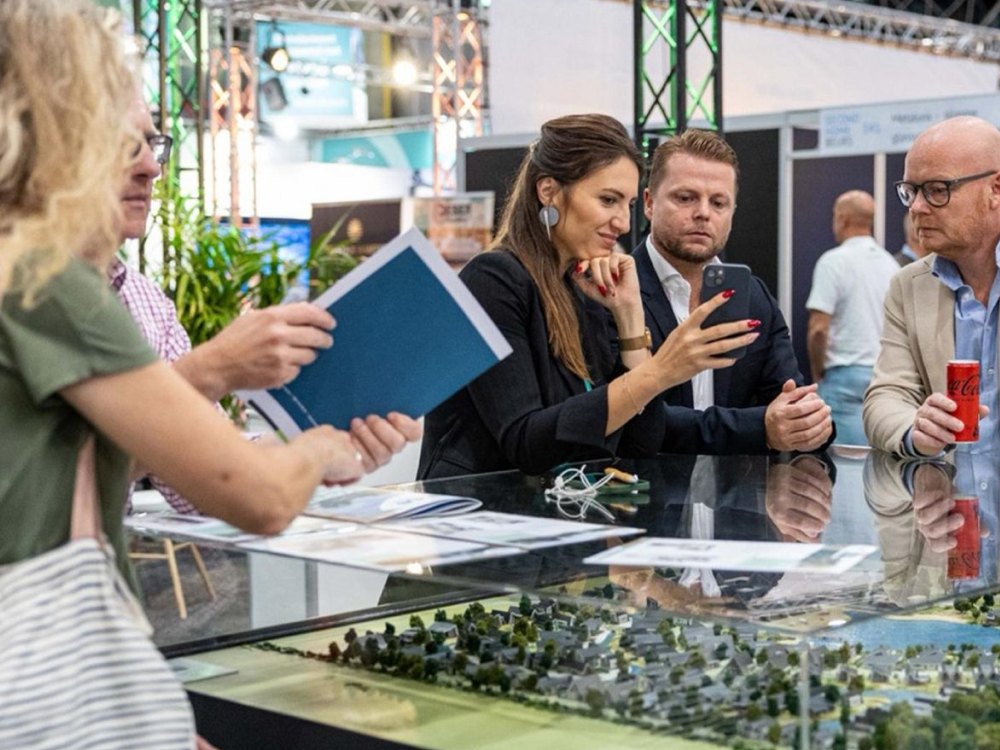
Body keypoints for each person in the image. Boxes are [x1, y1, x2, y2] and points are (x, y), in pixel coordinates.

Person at [0, 2, 365, 746]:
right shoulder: (41, 282)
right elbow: (254, 497)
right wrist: (323, 449)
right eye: (116, 134)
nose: (145, 163)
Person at [117, 96, 420, 511]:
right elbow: (50, 476)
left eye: (153, 145)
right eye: (123, 144)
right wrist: (213, 367)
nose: (152, 166)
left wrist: (320, 442)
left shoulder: (146, 303)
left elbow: (204, 476)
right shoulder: (22, 295)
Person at [417, 114, 758, 479]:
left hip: (560, 518)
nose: (623, 223)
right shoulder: (494, 280)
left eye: (626, 205)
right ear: (548, 190)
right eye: (607, 200)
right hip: (477, 520)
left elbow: (639, 442)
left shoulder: (586, 288)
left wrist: (629, 316)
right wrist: (659, 372)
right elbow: (526, 443)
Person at [634, 129, 833, 454]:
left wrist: (807, 421)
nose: (703, 213)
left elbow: (789, 396)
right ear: (649, 203)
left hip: (734, 500)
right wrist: (760, 428)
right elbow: (636, 421)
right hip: (645, 496)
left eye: (718, 202)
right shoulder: (617, 292)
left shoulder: (753, 297)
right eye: (685, 198)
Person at [863, 116, 996, 456]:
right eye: (911, 191)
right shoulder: (908, 286)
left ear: (995, 189)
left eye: (938, 190)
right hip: (946, 502)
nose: (917, 208)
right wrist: (915, 429)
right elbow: (886, 396)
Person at [806, 190, 899, 445]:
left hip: (842, 377)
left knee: (844, 465)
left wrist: (818, 372)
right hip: (883, 376)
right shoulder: (891, 264)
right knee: (878, 463)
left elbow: (818, 329)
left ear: (843, 219)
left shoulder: (833, 262)